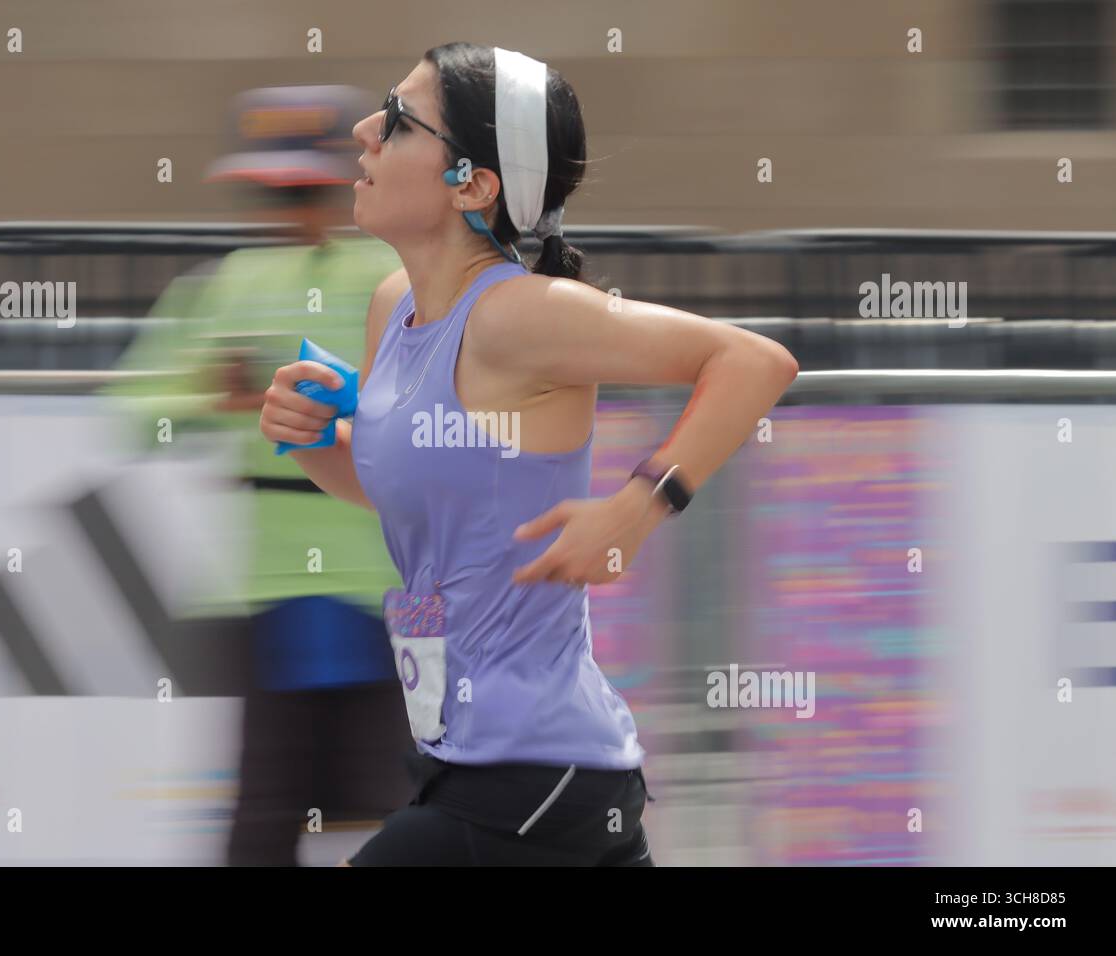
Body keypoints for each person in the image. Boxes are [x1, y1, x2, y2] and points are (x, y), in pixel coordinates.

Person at [259, 43, 799, 866]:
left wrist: (636, 508)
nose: (366, 128)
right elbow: (398, 489)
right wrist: (314, 437)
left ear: (472, 184)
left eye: (400, 122)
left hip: (535, 779)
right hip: (470, 764)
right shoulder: (393, 306)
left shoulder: (522, 317)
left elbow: (754, 361)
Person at [107, 85, 415, 866]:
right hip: (277, 586)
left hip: (387, 578)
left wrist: (239, 398)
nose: (289, 211)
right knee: (277, 806)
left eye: (305, 191)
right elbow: (137, 415)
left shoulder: (392, 274)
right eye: (271, 193)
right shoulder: (223, 286)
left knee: (389, 800)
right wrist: (217, 393)